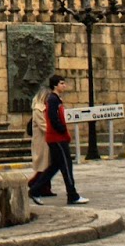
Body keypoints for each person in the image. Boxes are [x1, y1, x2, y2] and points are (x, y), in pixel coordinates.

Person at [25, 75, 90, 205]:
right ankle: (72, 195)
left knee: (55, 166)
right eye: (62, 83)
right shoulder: (53, 100)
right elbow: (53, 119)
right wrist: (61, 130)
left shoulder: (55, 99)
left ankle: (35, 190)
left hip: (56, 138)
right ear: (55, 85)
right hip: (57, 138)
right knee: (66, 165)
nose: (64, 85)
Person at [26, 82, 50, 204]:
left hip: (45, 141)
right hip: (41, 141)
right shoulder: (38, 109)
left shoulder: (43, 107)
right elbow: (43, 126)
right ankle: (32, 184)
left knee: (46, 165)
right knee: (43, 166)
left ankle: (45, 188)